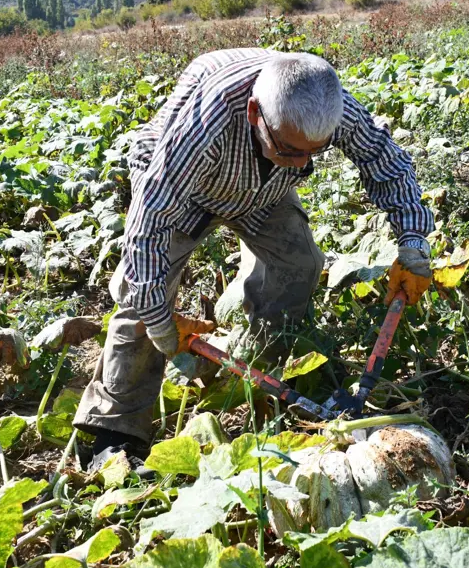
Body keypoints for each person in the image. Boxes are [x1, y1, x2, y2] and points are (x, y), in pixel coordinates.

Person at [73, 48, 434, 474]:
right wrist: (162, 324)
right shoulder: (201, 128)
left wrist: (413, 244)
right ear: (254, 113)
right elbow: (150, 226)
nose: (302, 164)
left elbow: (384, 160)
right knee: (145, 291)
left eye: (312, 153)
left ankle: (267, 373)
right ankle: (114, 433)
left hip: (263, 190)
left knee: (298, 263)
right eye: (290, 149)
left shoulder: (326, 110)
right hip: (185, 191)